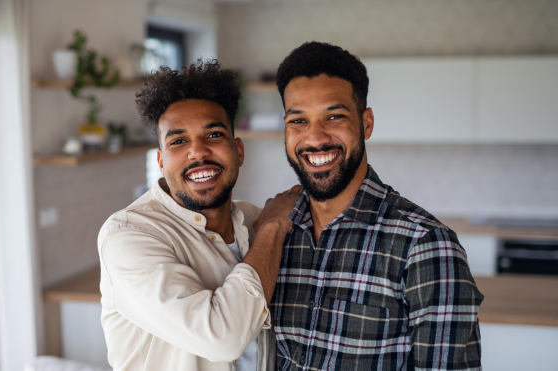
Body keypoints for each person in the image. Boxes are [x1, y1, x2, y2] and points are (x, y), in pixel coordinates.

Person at [269, 42, 484, 371]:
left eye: (334, 116)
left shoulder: (425, 245)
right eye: (298, 121)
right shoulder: (274, 235)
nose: (315, 138)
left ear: (366, 124)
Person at [98, 59, 300, 371]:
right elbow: (224, 339)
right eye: (179, 141)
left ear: (239, 151)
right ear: (162, 161)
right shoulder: (128, 235)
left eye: (214, 135)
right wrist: (274, 226)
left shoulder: (251, 219)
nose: (198, 152)